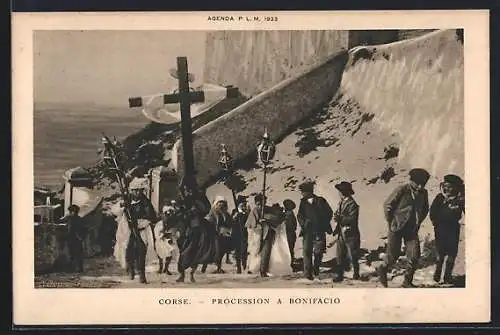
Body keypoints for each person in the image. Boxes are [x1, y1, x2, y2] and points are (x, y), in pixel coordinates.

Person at [376, 168, 430, 288]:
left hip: (411, 229)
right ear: (412, 181)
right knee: (393, 255)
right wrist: (391, 221)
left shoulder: (424, 193)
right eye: (418, 183)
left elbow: (426, 209)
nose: (421, 186)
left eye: (423, 184)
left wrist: (418, 221)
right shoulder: (402, 189)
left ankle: (407, 281)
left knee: (414, 256)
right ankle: (382, 269)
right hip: (396, 227)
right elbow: (387, 205)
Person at [175, 180, 216, 283]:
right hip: (186, 229)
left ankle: (191, 274)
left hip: (199, 229)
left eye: (189, 189)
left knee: (197, 252)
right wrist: (186, 213)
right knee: (184, 251)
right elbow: (179, 213)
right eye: (186, 190)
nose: (187, 191)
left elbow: (206, 209)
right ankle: (182, 274)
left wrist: (197, 208)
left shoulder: (200, 198)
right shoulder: (183, 199)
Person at [429, 174, 465, 285]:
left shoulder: (460, 200)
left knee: (452, 253)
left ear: (455, 188)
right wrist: (436, 223)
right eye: (445, 186)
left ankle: (447, 276)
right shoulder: (440, 197)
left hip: (453, 229)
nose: (447, 189)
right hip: (440, 228)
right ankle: (437, 273)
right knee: (441, 252)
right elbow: (432, 212)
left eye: (450, 186)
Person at [296, 181, 334, 280]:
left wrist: (323, 222)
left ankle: (316, 268)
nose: (302, 194)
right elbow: (299, 215)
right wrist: (304, 223)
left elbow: (329, 212)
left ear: (309, 192)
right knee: (307, 252)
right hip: (307, 231)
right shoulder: (303, 202)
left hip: (319, 231)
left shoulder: (321, 200)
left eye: (303, 192)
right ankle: (307, 273)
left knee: (319, 252)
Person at [126, 177, 157, 283]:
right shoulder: (128, 201)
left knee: (141, 251)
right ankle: (131, 270)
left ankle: (142, 274)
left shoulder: (145, 202)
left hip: (142, 230)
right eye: (135, 190)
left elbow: (151, 216)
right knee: (128, 250)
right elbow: (122, 214)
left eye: (140, 190)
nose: (138, 192)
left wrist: (142, 223)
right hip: (129, 229)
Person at [332, 181, 361, 282]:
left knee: (353, 255)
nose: (338, 193)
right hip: (341, 233)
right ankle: (339, 275)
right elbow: (338, 214)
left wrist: (340, 218)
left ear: (343, 192)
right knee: (339, 254)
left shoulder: (352, 204)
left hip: (351, 234)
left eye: (340, 191)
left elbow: (352, 219)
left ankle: (356, 274)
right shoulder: (341, 202)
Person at [205, 196, 234, 274]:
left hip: (224, 235)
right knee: (216, 251)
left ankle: (219, 267)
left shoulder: (226, 214)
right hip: (215, 235)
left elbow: (230, 222)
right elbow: (209, 222)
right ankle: (208, 267)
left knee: (222, 252)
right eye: (219, 203)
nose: (221, 205)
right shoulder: (213, 212)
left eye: (223, 203)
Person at [232, 195, 250, 274]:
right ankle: (239, 267)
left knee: (244, 250)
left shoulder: (246, 213)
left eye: (245, 204)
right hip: (236, 234)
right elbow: (231, 222)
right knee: (238, 251)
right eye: (242, 204)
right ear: (239, 204)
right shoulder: (234, 212)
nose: (244, 206)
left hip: (245, 234)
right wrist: (234, 217)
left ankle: (244, 265)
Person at [65, 204, 85, 272]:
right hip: (73, 237)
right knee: (74, 253)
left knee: (76, 253)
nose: (70, 213)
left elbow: (78, 229)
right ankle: (76, 268)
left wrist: (79, 237)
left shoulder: (75, 219)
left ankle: (77, 268)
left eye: (71, 211)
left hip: (75, 237)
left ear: (74, 211)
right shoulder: (73, 218)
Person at [282, 199, 298, 269]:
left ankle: (290, 264)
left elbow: (290, 226)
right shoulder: (290, 213)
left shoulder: (289, 214)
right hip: (291, 234)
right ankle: (290, 263)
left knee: (289, 249)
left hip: (289, 234)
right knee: (290, 249)